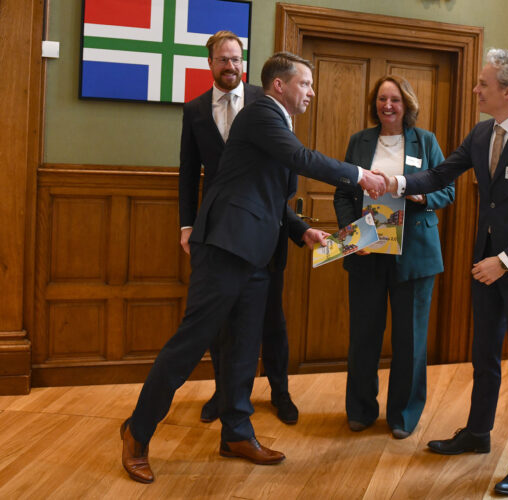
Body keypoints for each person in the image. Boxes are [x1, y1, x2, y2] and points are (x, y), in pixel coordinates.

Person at [120, 51, 386, 484]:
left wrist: (302, 232)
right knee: (189, 346)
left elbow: (267, 195)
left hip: (257, 253)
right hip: (225, 247)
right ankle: (137, 431)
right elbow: (304, 160)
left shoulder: (275, 120)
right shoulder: (262, 111)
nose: (311, 92)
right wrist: (360, 176)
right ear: (278, 85)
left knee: (244, 348)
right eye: (305, 83)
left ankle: (237, 434)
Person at [380, 48, 508, 496]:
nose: (476, 89)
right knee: (482, 358)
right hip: (484, 267)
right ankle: (478, 433)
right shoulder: (482, 134)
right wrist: (396, 184)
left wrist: (505, 262)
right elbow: (441, 174)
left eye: (483, 84)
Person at [179, 30, 304, 426]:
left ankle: (280, 393)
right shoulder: (195, 111)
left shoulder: (266, 102)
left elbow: (289, 160)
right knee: (221, 322)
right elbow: (188, 174)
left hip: (266, 226)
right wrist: (187, 224)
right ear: (210, 64)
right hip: (219, 233)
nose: (231, 66)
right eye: (223, 60)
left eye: (237, 59)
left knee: (271, 318)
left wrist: (292, 222)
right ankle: (226, 395)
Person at [333, 76, 454, 439]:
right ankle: (360, 410)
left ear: (407, 105)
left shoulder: (426, 141)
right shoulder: (359, 141)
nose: (388, 106)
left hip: (415, 254)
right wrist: (352, 233)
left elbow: (447, 190)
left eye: (395, 100)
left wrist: (419, 196)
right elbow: (342, 193)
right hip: (368, 249)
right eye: (382, 99)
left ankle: (403, 415)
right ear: (375, 104)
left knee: (410, 340)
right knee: (363, 337)